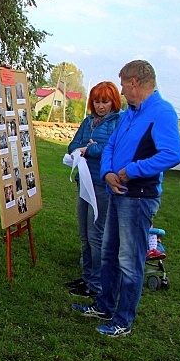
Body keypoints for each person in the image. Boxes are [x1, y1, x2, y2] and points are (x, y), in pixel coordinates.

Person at [73, 60, 180, 337]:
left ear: (135, 82)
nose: (121, 91)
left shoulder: (162, 112)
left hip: (138, 197)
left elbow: (172, 154)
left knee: (130, 261)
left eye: (123, 84)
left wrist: (131, 171)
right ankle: (104, 305)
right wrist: (109, 172)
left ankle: (123, 320)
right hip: (116, 192)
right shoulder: (130, 114)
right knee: (109, 254)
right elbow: (110, 144)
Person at [65, 81, 122, 298]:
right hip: (84, 182)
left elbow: (112, 149)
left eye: (105, 101)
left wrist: (89, 148)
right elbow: (73, 146)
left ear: (113, 102)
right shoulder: (88, 121)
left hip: (101, 184)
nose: (100, 106)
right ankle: (87, 276)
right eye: (97, 101)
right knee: (84, 234)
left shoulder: (118, 121)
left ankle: (97, 283)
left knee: (96, 234)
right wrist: (84, 148)